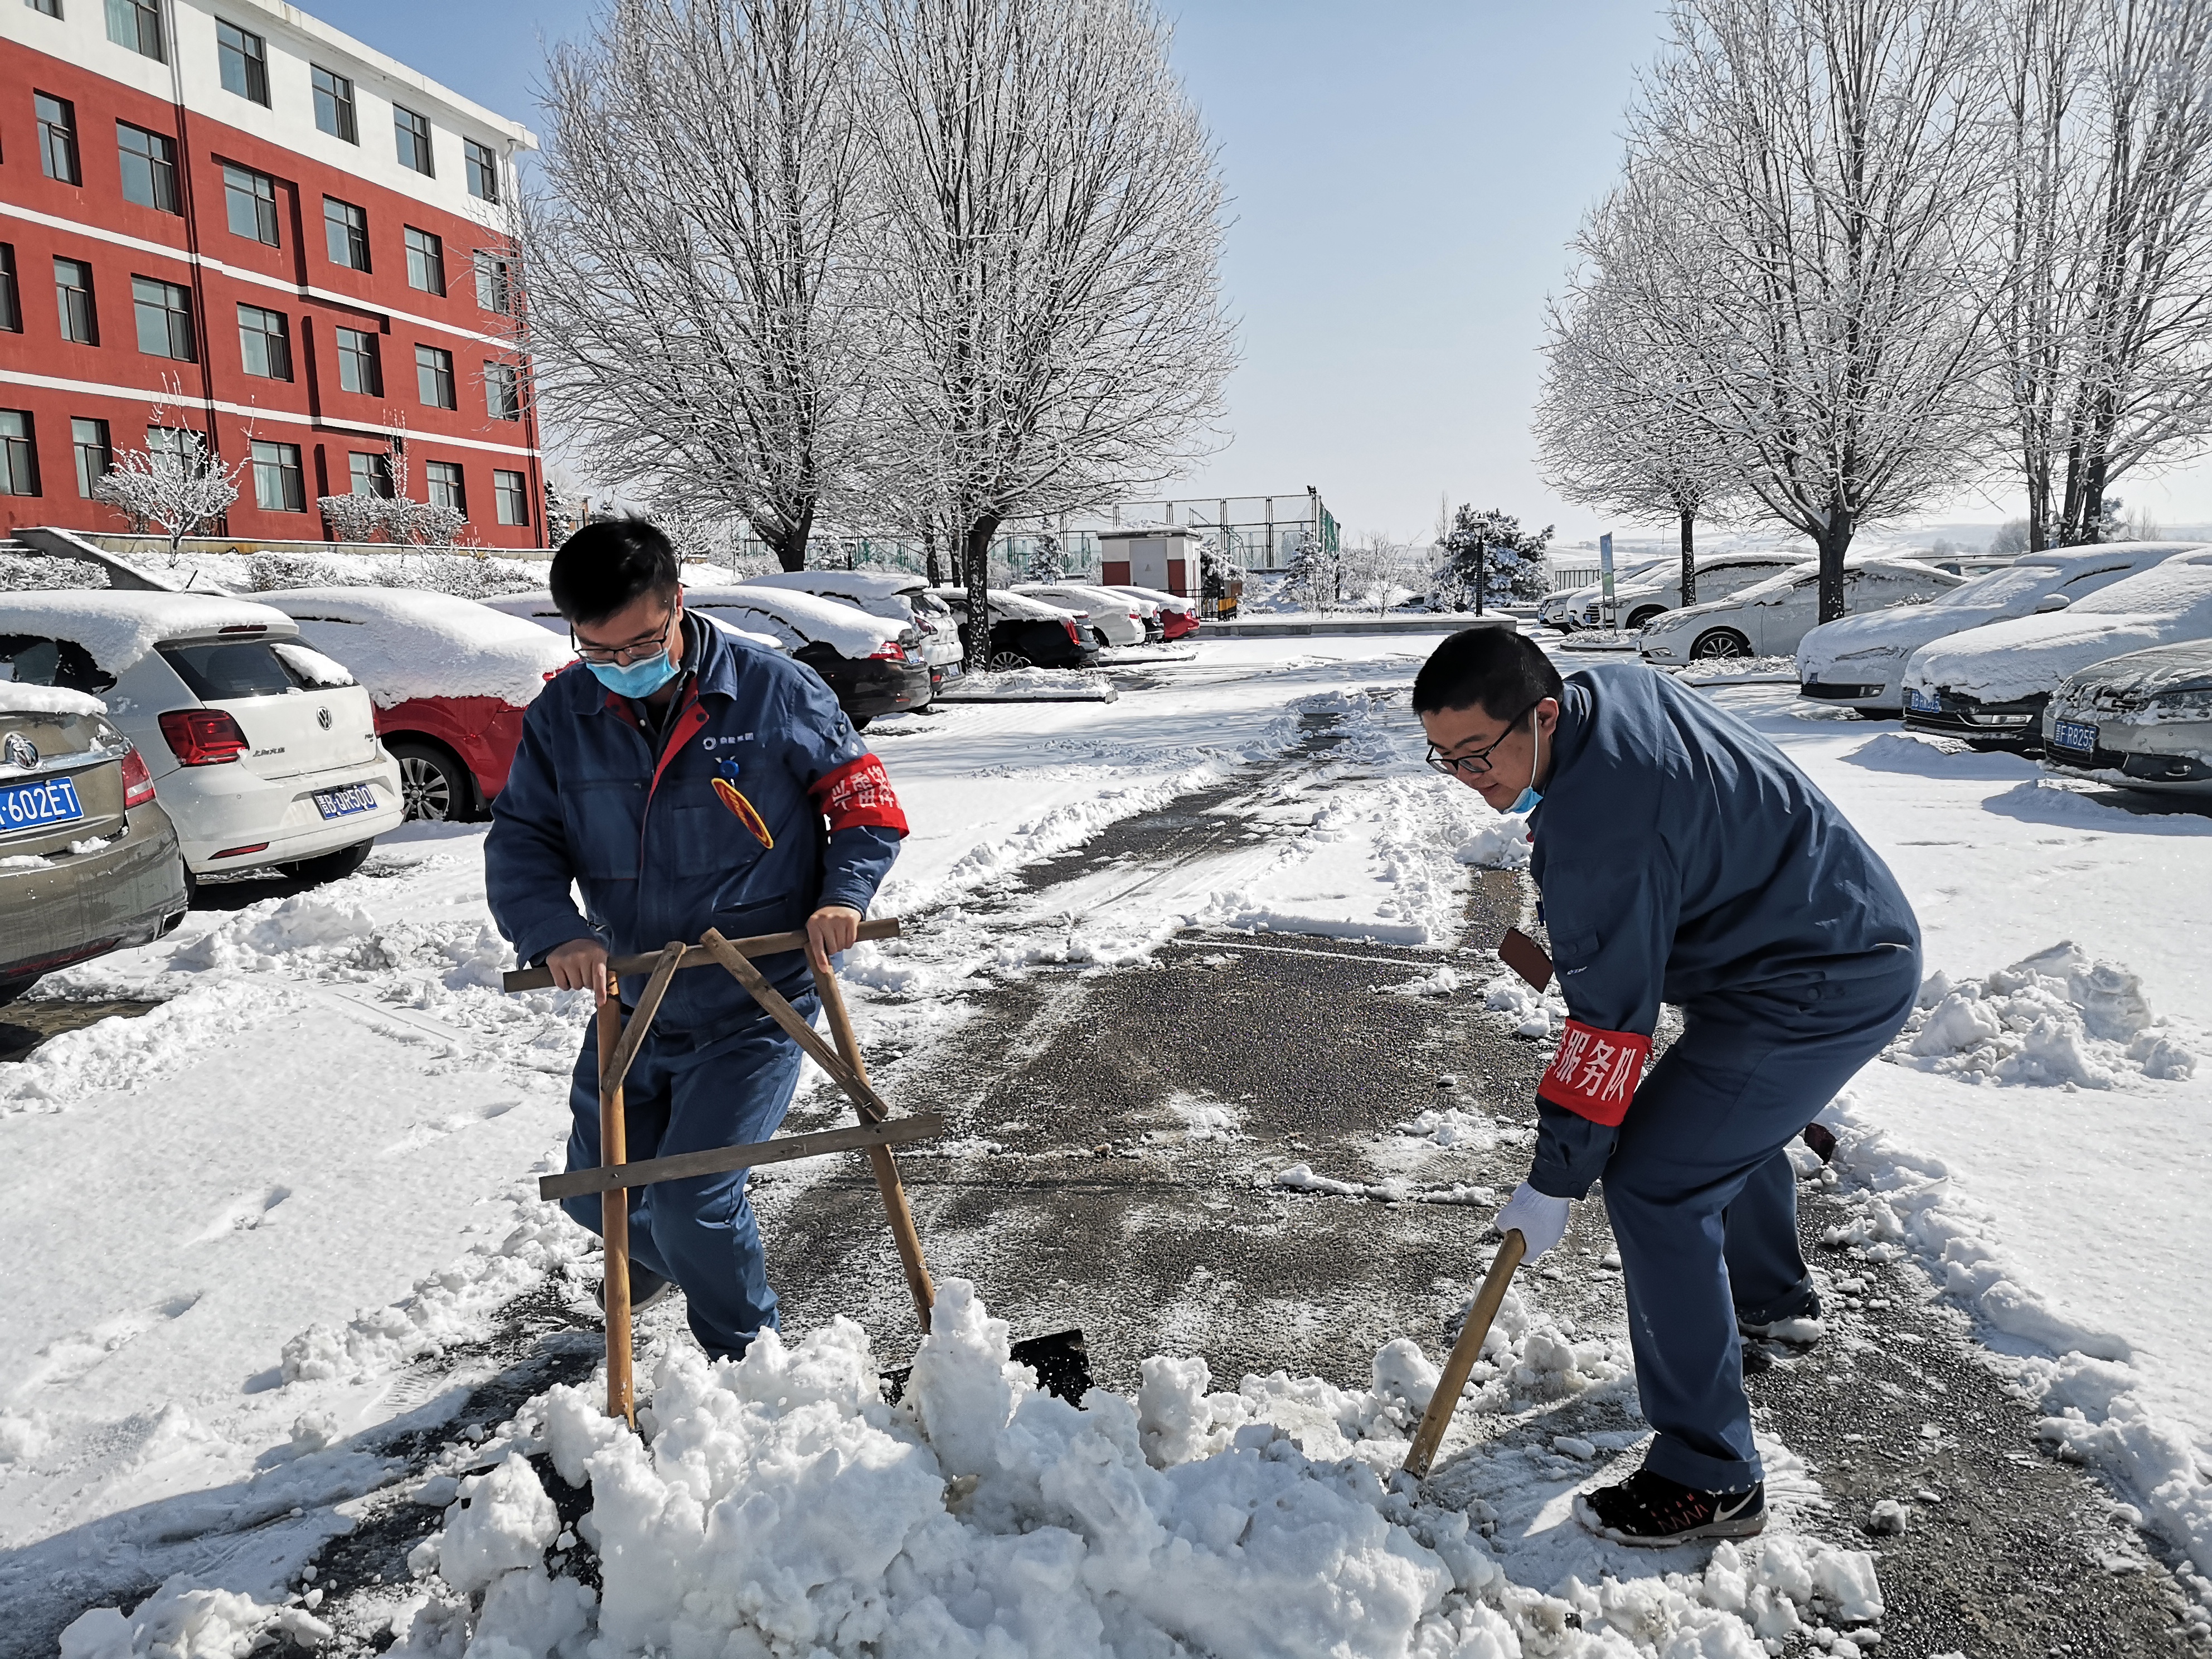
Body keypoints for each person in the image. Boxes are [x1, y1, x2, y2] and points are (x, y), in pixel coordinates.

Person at [1414, 627, 1919, 1546]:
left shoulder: (1606, 828)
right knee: (1713, 1125)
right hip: (1807, 938)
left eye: (1479, 756)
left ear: (1545, 712)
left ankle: (1712, 1474)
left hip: (1817, 982)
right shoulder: (1607, 699)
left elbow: (1610, 1034)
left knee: (1655, 1180)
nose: (1468, 779)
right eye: (1444, 759)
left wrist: (1556, 1180)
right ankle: (1767, 1299)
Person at [486, 520, 906, 1360]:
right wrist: (556, 932)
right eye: (599, 651)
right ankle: (670, 1261)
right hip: (635, 998)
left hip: (758, 999)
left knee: (691, 1199)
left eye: (644, 642)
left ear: (679, 603)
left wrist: (842, 896)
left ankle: (748, 1360)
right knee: (589, 1195)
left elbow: (864, 803)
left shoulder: (772, 690)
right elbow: (523, 839)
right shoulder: (563, 714)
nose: (624, 666)